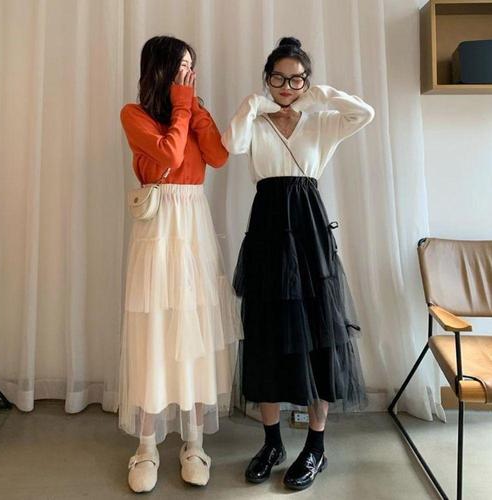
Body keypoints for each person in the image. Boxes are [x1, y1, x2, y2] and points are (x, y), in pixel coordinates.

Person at [222, 36, 375, 491]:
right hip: (267, 232)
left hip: (308, 234)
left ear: (306, 81)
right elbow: (231, 145)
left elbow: (364, 114)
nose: (286, 87)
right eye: (278, 78)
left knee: (319, 333)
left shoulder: (321, 122)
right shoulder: (257, 122)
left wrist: (320, 94)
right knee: (266, 333)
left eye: (296, 79)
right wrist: (252, 104)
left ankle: (315, 447)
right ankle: (272, 443)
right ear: (266, 79)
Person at [119, 35, 240, 493]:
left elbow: (219, 157)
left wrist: (194, 107)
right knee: (154, 330)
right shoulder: (134, 114)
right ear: (160, 69)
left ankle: (194, 443)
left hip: (193, 224)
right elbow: (169, 154)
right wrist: (183, 106)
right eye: (180, 67)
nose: (188, 74)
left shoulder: (193, 109)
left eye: (191, 67)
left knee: (193, 330)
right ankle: (146, 446)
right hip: (158, 227)